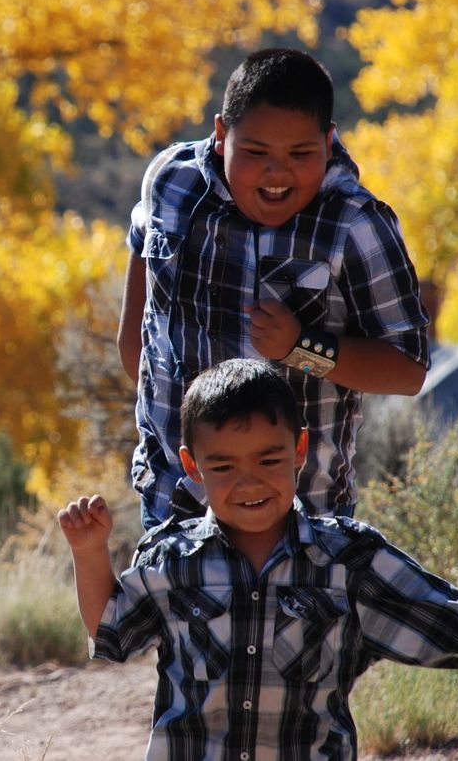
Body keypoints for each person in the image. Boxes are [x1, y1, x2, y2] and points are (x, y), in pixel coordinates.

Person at [58, 359, 458, 760]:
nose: (249, 482)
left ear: (299, 450)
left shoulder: (347, 559)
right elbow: (111, 628)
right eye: (224, 466)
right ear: (192, 466)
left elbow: (442, 616)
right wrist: (89, 552)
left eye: (269, 459)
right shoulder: (172, 560)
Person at [118, 47, 429, 529]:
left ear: (328, 143)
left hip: (305, 520)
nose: (277, 173)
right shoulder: (172, 183)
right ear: (222, 136)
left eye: (300, 154)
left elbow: (408, 369)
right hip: (172, 503)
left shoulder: (354, 225)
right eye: (256, 152)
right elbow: (142, 315)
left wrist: (301, 349)